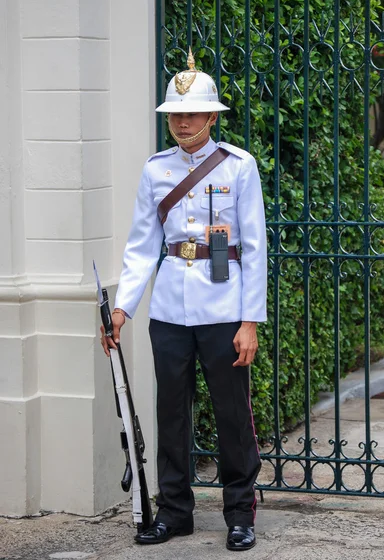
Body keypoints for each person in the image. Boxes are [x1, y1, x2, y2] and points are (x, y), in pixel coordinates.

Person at [100, 50, 267, 551]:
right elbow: (142, 245)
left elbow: (254, 248)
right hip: (170, 310)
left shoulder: (239, 167)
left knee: (232, 413)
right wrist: (124, 308)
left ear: (212, 116)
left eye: (191, 113)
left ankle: (240, 512)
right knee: (170, 411)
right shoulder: (155, 171)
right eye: (174, 114)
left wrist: (249, 320)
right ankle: (176, 512)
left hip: (222, 311)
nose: (182, 122)